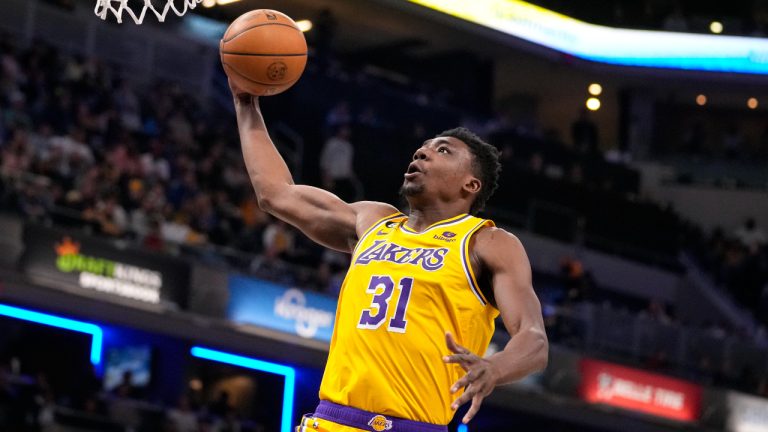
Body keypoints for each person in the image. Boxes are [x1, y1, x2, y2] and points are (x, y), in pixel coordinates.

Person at [230, 82, 548, 430]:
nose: (421, 153)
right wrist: (246, 104)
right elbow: (276, 193)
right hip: (330, 422)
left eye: (442, 151)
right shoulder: (372, 221)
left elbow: (533, 338)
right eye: (421, 149)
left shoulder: (487, 242)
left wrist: (496, 367)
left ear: (470, 185)